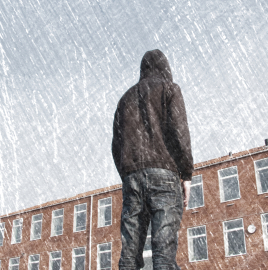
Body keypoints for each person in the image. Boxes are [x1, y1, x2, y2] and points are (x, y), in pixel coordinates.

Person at [112, 49, 194, 270]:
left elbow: (116, 145)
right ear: (166, 67)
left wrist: (129, 174)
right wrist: (186, 174)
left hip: (133, 178)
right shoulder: (169, 89)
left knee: (129, 253)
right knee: (163, 254)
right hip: (164, 175)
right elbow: (179, 133)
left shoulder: (125, 99)